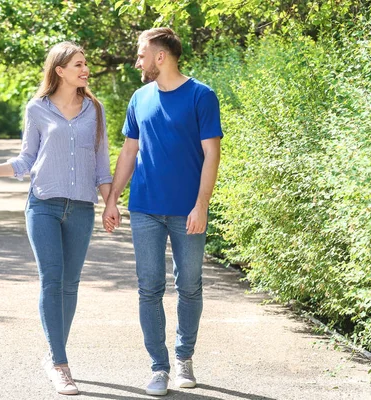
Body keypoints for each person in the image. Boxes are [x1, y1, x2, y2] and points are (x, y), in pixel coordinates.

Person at [0, 42, 112, 396]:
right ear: (59, 70)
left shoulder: (94, 109)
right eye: (78, 64)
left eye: (86, 64)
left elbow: (102, 164)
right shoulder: (37, 109)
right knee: (52, 280)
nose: (85, 69)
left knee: (70, 284)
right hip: (43, 204)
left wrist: (111, 204)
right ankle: (61, 365)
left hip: (80, 208)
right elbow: (25, 160)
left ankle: (52, 353)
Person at [102, 27, 222, 396]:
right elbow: (128, 151)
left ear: (160, 56)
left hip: (188, 210)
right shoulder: (139, 98)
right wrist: (113, 199)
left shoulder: (202, 96)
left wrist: (201, 204)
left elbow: (212, 154)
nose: (137, 60)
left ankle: (184, 358)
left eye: (141, 54)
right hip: (145, 209)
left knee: (189, 285)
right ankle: (159, 367)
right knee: (149, 288)